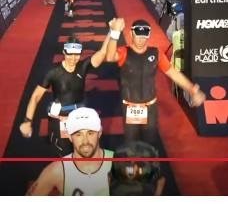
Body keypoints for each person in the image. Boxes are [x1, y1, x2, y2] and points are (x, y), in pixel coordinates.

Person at [105, 18, 206, 146]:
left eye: (144, 37)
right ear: (131, 34)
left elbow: (173, 73)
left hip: (150, 107)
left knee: (150, 143)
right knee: (131, 144)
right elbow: (109, 57)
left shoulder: (156, 53)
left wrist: (192, 89)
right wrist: (114, 33)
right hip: (130, 107)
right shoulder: (124, 52)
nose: (141, 40)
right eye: (138, 36)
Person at [19, 26, 111, 156]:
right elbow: (36, 96)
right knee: (63, 155)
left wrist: (112, 32)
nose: (73, 58)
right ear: (64, 52)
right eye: (70, 54)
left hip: (80, 119)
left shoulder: (82, 67)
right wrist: (27, 121)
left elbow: (102, 53)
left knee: (83, 152)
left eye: (77, 55)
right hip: (59, 120)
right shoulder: (52, 72)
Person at [26, 107, 113, 196]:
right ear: (69, 136)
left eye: (90, 133)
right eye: (78, 134)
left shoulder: (118, 164)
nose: (85, 141)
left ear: (99, 133)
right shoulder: (57, 170)